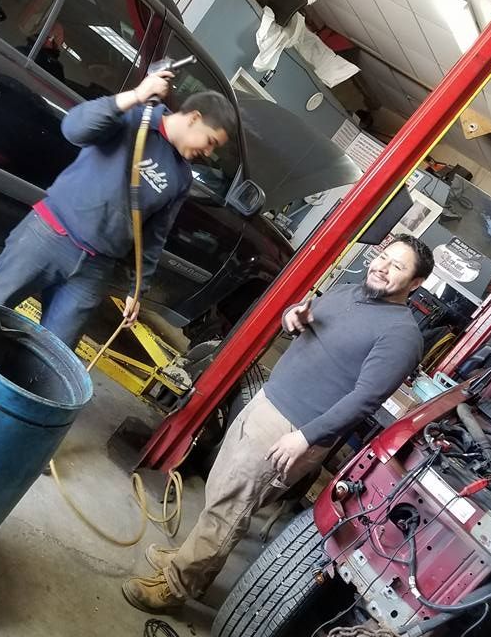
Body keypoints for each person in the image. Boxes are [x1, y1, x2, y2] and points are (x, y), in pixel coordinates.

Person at [122, 234, 433, 612]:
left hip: (292, 429)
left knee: (232, 507)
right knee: (222, 490)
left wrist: (306, 437)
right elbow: (303, 322)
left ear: (415, 283)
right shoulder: (350, 293)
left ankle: (176, 587)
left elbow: (364, 399)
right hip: (267, 403)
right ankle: (190, 562)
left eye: (397, 267)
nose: (382, 267)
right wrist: (293, 318)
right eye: (383, 257)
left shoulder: (401, 336)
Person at [0, 73, 237, 348]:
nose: (207, 151)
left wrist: (138, 288)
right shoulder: (134, 116)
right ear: (193, 118)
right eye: (210, 141)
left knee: (53, 354)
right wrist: (135, 96)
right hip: (49, 235)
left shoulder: (181, 177)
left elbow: (155, 235)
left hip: (95, 267)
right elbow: (73, 128)